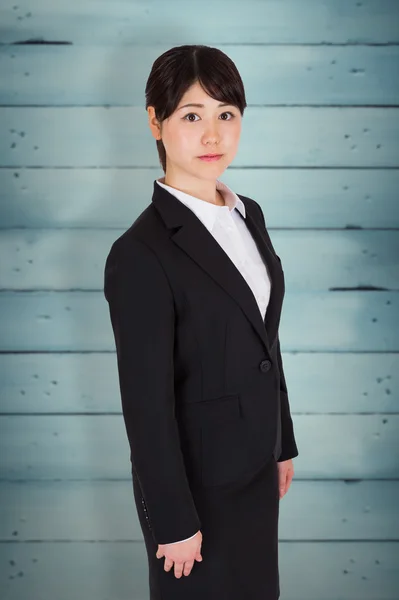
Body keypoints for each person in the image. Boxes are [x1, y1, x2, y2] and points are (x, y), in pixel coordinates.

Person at [104, 44, 298, 600]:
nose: (213, 136)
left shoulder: (248, 213)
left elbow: (264, 334)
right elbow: (145, 404)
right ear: (154, 121)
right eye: (192, 116)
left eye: (226, 115)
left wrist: (282, 439)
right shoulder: (140, 254)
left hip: (255, 469)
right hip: (195, 489)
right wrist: (173, 521)